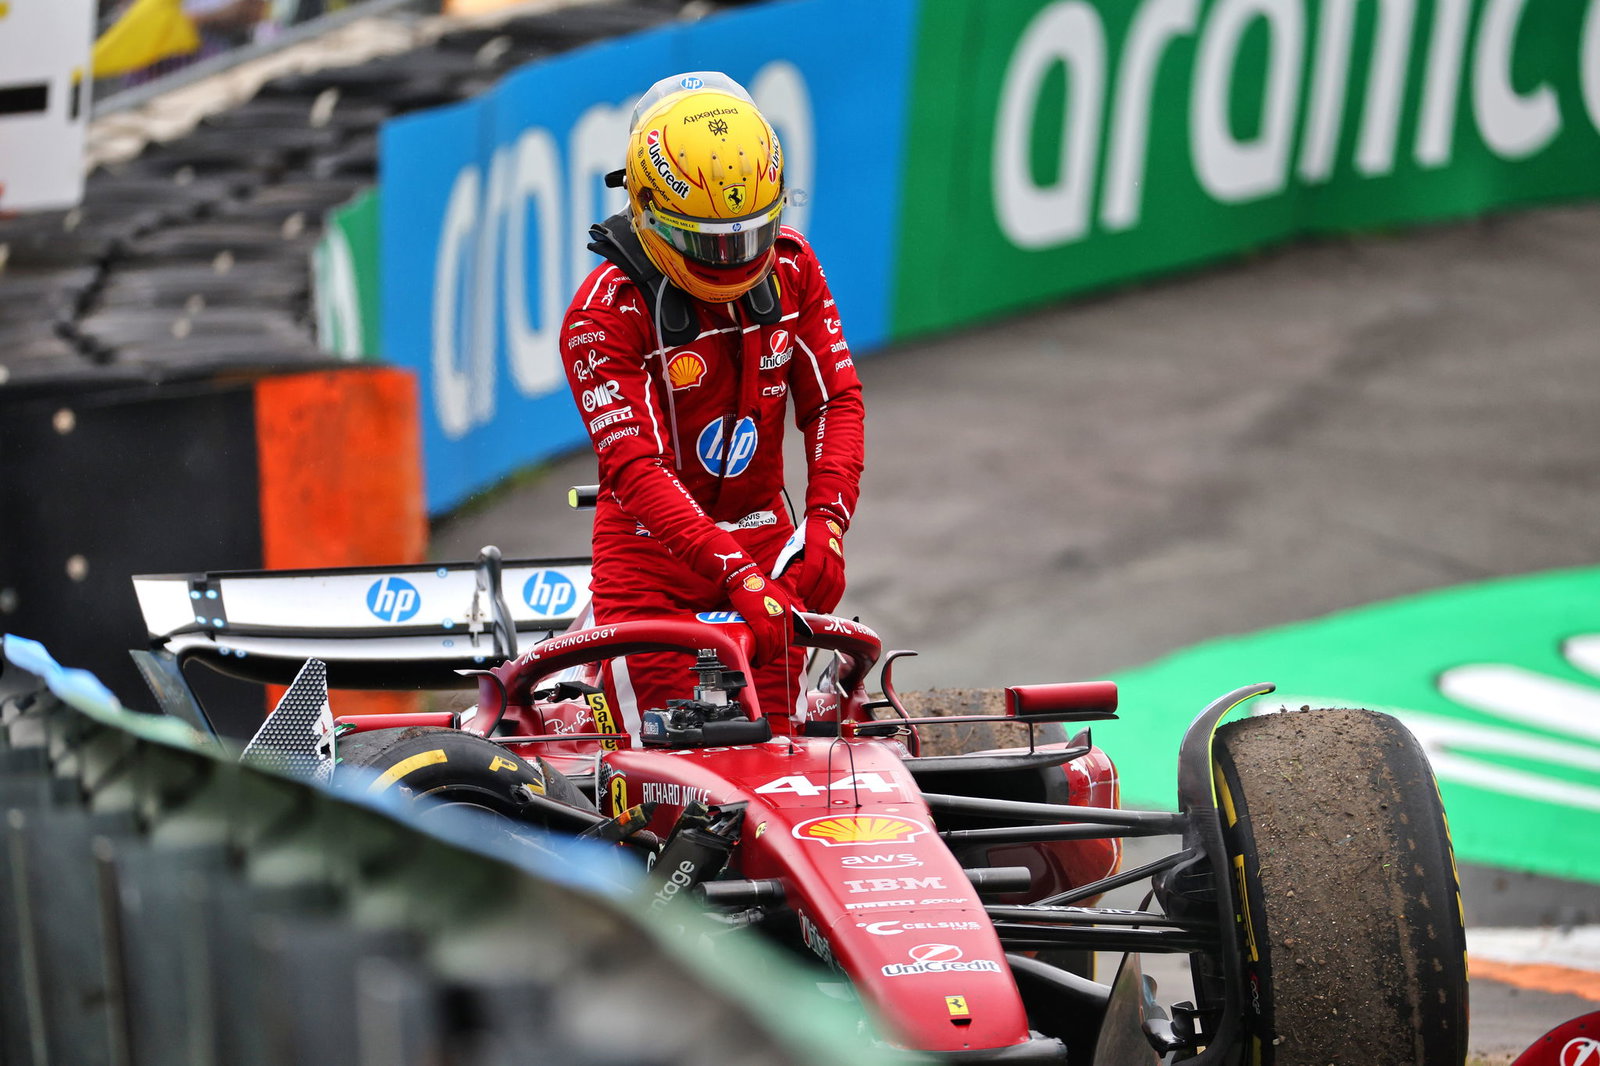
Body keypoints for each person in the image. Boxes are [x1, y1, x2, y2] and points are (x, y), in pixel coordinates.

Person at [562, 71, 864, 734]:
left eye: (751, 234)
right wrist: (734, 575)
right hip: (653, 569)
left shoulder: (792, 267)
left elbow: (835, 400)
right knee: (670, 786)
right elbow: (635, 469)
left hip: (767, 550)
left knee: (788, 771)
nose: (733, 259)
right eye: (710, 241)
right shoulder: (601, 316)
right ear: (646, 211)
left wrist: (826, 525)